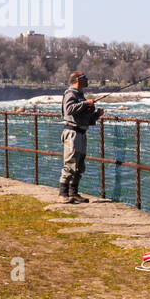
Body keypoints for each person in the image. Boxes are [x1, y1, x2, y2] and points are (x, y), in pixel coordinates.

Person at [59, 71, 103, 203]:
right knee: (70, 164)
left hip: (81, 133)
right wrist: (86, 103)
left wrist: (96, 115)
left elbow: (84, 118)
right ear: (78, 79)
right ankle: (63, 194)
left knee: (79, 166)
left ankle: (74, 193)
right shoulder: (70, 93)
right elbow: (69, 109)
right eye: (85, 78)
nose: (87, 79)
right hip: (72, 133)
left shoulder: (80, 95)